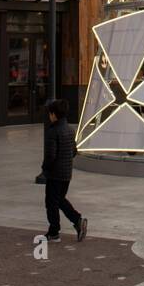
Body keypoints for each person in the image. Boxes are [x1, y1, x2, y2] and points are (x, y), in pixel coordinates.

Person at [41, 98, 86, 242]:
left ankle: (54, 231)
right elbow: (73, 151)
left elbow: (50, 156)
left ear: (53, 114)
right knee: (59, 200)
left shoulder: (52, 132)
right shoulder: (69, 130)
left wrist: (45, 168)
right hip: (66, 173)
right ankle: (77, 221)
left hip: (55, 174)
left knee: (51, 203)